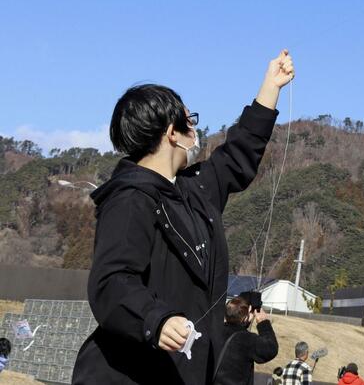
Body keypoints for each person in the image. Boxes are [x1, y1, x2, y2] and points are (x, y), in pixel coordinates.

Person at [72, 51, 295, 385]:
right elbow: (112, 280)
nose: (196, 130)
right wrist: (156, 320)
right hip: (128, 374)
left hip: (182, 371)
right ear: (171, 132)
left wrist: (270, 87)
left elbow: (237, 154)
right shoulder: (130, 197)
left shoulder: (194, 190)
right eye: (191, 121)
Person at [212, 296, 279, 385]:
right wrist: (263, 323)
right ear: (245, 317)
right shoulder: (247, 339)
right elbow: (271, 349)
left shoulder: (214, 331)